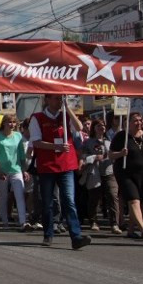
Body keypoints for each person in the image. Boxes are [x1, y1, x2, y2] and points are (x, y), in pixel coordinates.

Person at [28, 94, 91, 250]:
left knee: (68, 200)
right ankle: (48, 234)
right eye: (55, 98)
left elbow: (79, 128)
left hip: (66, 165)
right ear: (47, 100)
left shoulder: (66, 117)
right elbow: (36, 142)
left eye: (59, 98)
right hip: (47, 166)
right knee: (48, 201)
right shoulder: (37, 118)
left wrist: (68, 108)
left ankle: (76, 236)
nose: (57, 101)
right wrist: (56, 147)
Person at [109, 112, 143, 240]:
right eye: (135, 120)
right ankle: (142, 228)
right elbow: (110, 155)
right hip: (126, 174)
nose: (139, 123)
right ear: (128, 123)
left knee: (140, 203)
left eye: (140, 120)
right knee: (133, 200)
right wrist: (121, 153)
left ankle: (131, 230)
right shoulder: (121, 137)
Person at [0, 115, 29, 230]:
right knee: (3, 195)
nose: (12, 124)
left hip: (16, 169)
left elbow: (21, 154)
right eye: (9, 122)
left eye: (13, 122)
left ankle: (23, 222)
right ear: (4, 123)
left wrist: (24, 170)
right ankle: (4, 221)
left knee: (19, 194)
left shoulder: (18, 136)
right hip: (1, 170)